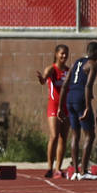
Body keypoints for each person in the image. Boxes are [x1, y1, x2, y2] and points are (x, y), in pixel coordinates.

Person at [58, 41, 97, 180]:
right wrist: (88, 107)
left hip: (69, 98)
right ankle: (83, 171)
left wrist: (60, 106)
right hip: (80, 99)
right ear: (95, 52)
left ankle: (75, 171)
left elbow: (65, 85)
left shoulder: (76, 62)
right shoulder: (93, 64)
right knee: (90, 135)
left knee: (75, 135)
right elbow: (88, 86)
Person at [36, 44, 70, 178]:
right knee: (54, 135)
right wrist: (42, 79)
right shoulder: (52, 69)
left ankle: (58, 168)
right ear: (56, 54)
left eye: (66, 54)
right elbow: (44, 79)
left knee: (63, 138)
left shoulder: (69, 71)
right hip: (53, 107)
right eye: (62, 53)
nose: (64, 56)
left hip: (66, 107)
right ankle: (49, 167)